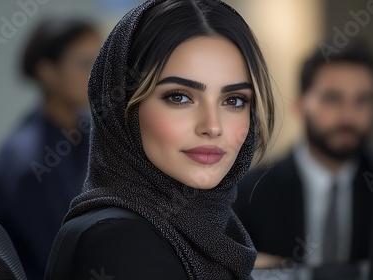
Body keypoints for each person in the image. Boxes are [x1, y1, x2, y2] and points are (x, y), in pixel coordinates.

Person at [45, 0, 275, 279]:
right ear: (121, 107)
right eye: (179, 97)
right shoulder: (118, 241)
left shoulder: (207, 231)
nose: (213, 127)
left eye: (234, 100)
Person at [233, 42, 373, 269]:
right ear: (300, 105)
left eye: (362, 100)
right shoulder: (249, 194)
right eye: (332, 99)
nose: (349, 116)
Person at [0, 19, 100, 279]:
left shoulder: (88, 131)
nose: (97, 73)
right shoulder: (27, 159)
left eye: (99, 60)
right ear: (48, 72)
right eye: (84, 64)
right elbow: (59, 257)